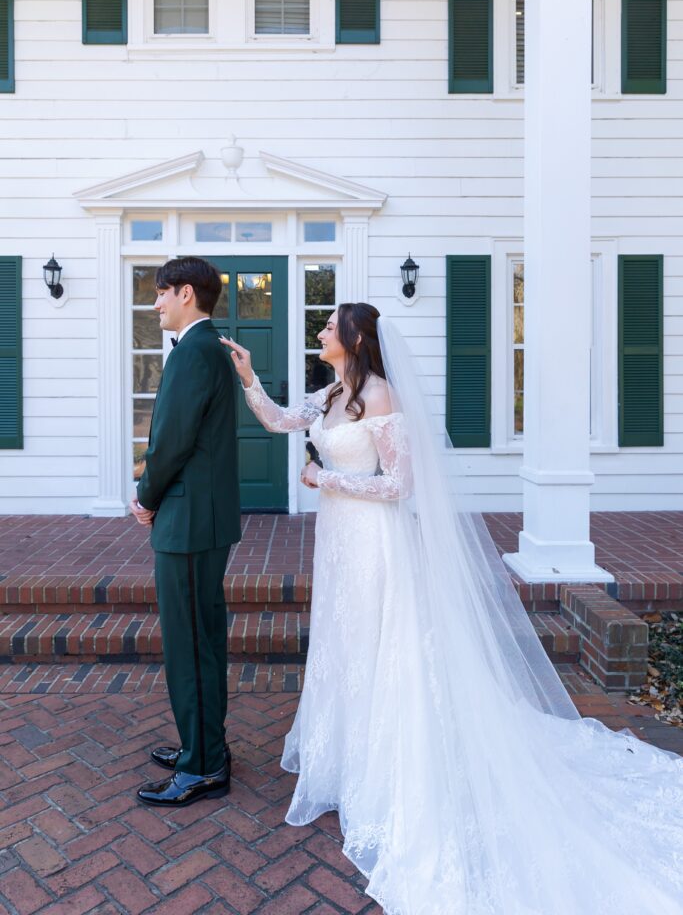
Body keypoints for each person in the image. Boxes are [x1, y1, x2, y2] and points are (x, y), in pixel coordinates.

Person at [223, 303, 683, 915]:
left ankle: (387, 770)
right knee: (347, 643)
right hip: (339, 542)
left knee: (380, 645)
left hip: (374, 542)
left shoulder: (381, 397)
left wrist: (326, 479)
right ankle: (349, 760)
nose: (321, 331)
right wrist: (249, 376)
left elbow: (399, 485)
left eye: (330, 326)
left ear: (356, 338)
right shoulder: (333, 392)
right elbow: (282, 421)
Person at [130, 257, 241, 809]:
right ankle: (205, 746)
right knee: (201, 640)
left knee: (189, 645)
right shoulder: (204, 350)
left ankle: (202, 767)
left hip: (189, 521)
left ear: (188, 295)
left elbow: (170, 440)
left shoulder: (195, 352)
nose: (155, 304)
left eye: (161, 294)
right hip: (199, 518)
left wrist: (146, 496)